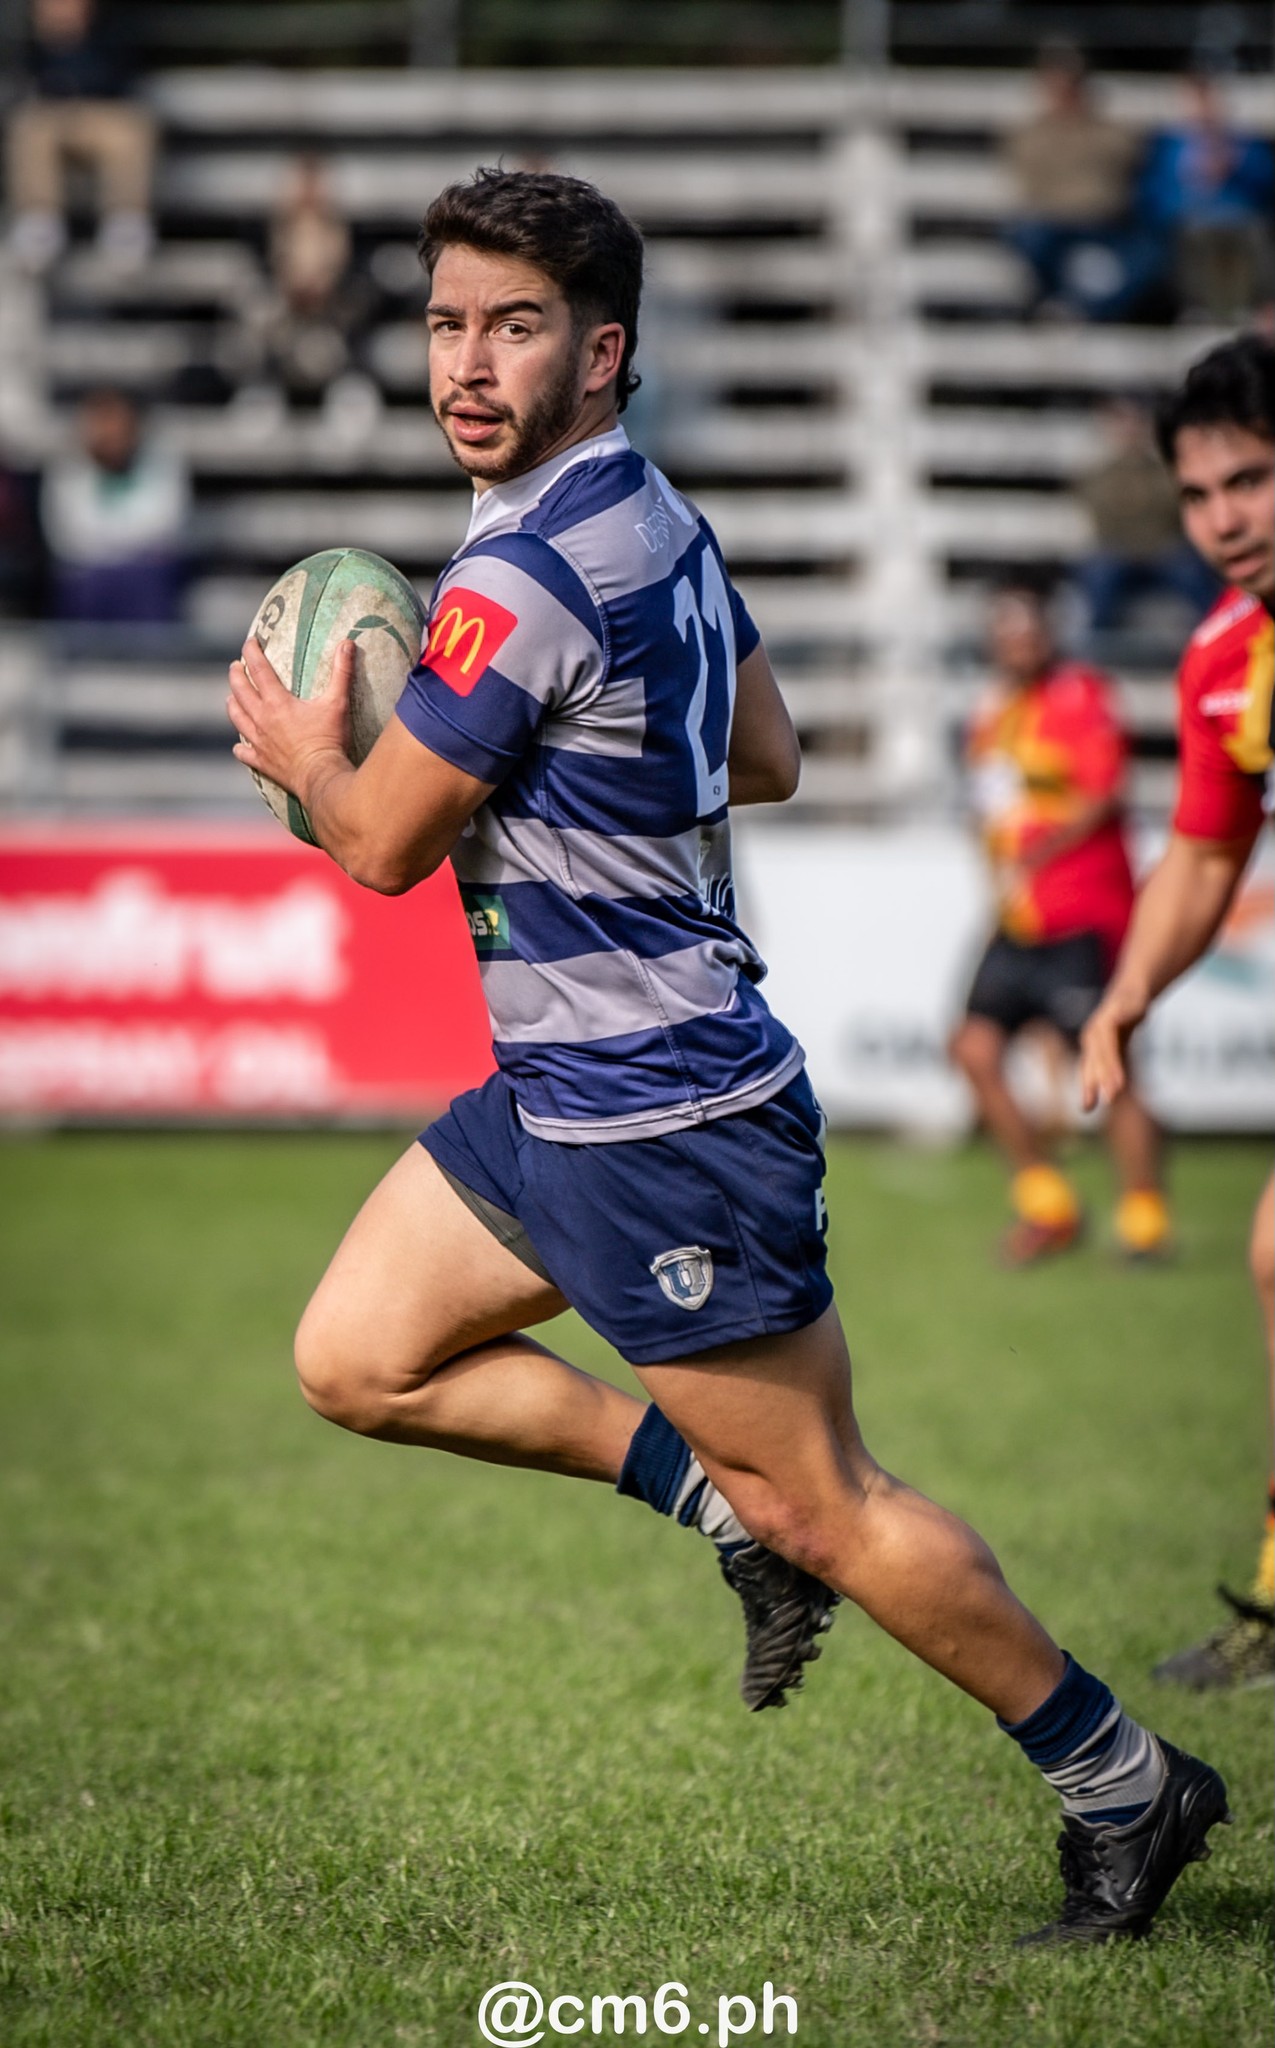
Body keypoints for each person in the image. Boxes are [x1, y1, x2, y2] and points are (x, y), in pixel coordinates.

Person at [227, 168, 1228, 1942]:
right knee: (355, 1357)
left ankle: (1124, 1779)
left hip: (663, 1115)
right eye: (449, 321)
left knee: (835, 1501)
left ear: (602, 351)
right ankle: (715, 1504)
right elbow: (763, 745)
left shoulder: (522, 571)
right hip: (566, 1093)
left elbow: (378, 846)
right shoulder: (652, 518)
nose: (468, 361)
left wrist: (309, 751)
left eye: (514, 326)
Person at [1081, 333, 1275, 1692]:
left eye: (1251, 483)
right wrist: (1126, 996)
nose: (1223, 520)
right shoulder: (1220, 658)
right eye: (1199, 495)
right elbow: (1205, 853)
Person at [950, 580, 1171, 1265]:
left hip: (1082, 913)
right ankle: (1048, 1204)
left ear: (1046, 632)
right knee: (972, 1049)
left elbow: (1105, 793)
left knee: (1110, 1068)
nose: (1016, 641)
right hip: (1019, 920)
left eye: (1027, 628)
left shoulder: (1082, 695)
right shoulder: (991, 714)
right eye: (1004, 629)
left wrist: (1033, 847)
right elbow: (990, 805)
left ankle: (1144, 1219)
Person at [1002, 43, 1153, 323]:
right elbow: (1033, 187)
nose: (1065, 90)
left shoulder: (1109, 131)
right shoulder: (1031, 134)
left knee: (1149, 256)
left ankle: (1088, 312)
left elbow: (1124, 167)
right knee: (1029, 238)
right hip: (1054, 226)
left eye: (1071, 82)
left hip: (1104, 225)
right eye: (1057, 81)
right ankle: (1063, 306)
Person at [4, 0, 155, 275]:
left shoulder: (113, 32)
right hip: (54, 121)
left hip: (103, 115)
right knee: (29, 125)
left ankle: (125, 228)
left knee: (132, 127)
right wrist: (53, 42)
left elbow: (119, 80)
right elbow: (26, 85)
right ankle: (40, 226)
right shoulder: (33, 40)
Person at [40, 386, 190, 624]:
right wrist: (129, 541)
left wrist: (113, 543)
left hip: (144, 575)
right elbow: (71, 537)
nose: (111, 433)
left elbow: (165, 526)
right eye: (102, 424)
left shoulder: (161, 460)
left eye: (117, 424)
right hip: (88, 577)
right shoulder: (67, 467)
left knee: (153, 579)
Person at [1075, 396, 1219, 638]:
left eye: (1134, 422)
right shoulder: (1097, 475)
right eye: (1121, 422)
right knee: (1098, 573)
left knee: (1192, 571)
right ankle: (1098, 643)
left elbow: (1176, 508)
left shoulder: (1167, 470)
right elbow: (1103, 515)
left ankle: (1215, 632)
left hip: (1162, 552)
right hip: (1119, 553)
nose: (1128, 430)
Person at [1138, 74, 1274, 325]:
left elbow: (1266, 183)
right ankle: (1198, 307)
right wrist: (1191, 188)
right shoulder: (1168, 145)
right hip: (1188, 219)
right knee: (1191, 234)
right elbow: (1153, 194)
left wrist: (1237, 166)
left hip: (1239, 218)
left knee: (1251, 233)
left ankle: (1246, 306)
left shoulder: (1243, 142)